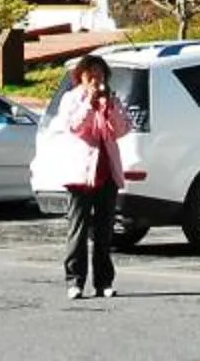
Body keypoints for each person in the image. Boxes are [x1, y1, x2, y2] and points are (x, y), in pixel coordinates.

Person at [42, 53, 130, 300]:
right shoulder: (71, 99)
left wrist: (109, 107)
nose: (95, 79)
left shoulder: (111, 98)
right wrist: (89, 104)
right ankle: (75, 281)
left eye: (99, 74)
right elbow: (74, 126)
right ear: (80, 76)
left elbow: (122, 129)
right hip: (80, 174)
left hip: (106, 172)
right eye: (90, 74)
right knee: (78, 230)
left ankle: (104, 282)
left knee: (104, 232)